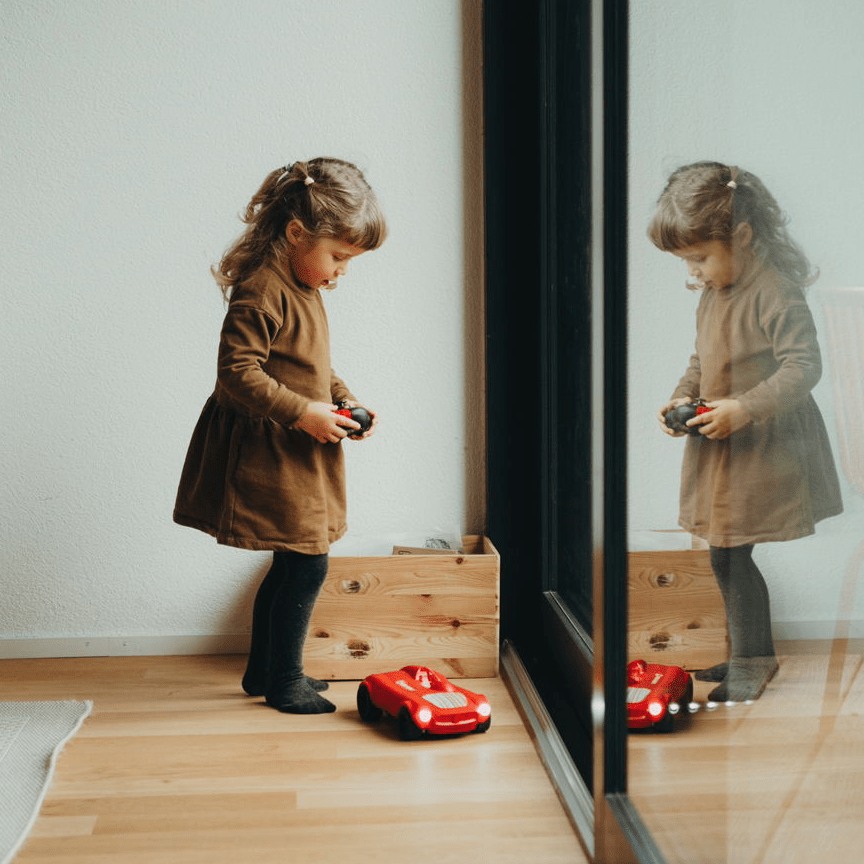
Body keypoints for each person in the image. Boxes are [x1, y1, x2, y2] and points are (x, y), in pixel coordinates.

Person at [173, 158, 386, 714]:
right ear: (296, 233)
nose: (341, 271)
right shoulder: (263, 287)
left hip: (296, 444)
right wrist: (301, 413)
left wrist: (343, 398)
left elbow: (311, 362)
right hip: (269, 449)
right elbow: (237, 371)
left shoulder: (304, 285)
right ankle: (284, 680)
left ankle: (264, 670)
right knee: (307, 562)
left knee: (293, 561)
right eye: (338, 256)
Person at [651, 161, 842, 702]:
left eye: (700, 258)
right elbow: (701, 358)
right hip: (724, 443)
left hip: (765, 446)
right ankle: (750, 655)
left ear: (741, 235)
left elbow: (804, 367)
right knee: (726, 553)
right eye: (687, 261)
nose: (694, 273)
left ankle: (752, 661)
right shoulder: (714, 293)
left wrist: (745, 408)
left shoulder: (776, 291)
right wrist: (682, 396)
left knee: (730, 554)